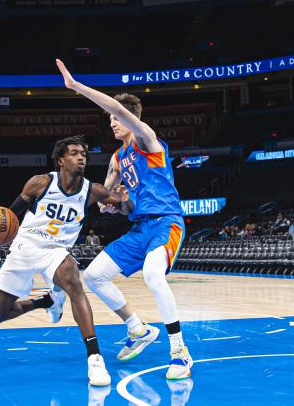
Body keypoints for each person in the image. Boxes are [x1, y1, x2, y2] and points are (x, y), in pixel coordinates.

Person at [56, 60, 192, 380]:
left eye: (116, 119)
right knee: (94, 276)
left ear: (129, 119)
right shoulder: (118, 158)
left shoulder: (147, 141)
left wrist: (76, 86)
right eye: (111, 120)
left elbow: (116, 105)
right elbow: (117, 201)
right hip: (140, 225)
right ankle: (137, 328)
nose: (112, 124)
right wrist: (112, 206)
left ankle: (180, 351)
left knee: (153, 275)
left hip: (166, 222)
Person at [0, 135, 131, 386]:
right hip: (25, 247)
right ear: (60, 160)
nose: (81, 157)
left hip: (56, 251)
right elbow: (9, 215)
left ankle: (95, 359)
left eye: (84, 154)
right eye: (74, 153)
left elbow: (125, 209)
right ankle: (45, 301)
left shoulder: (93, 191)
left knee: (73, 279)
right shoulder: (40, 183)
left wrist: (124, 202)